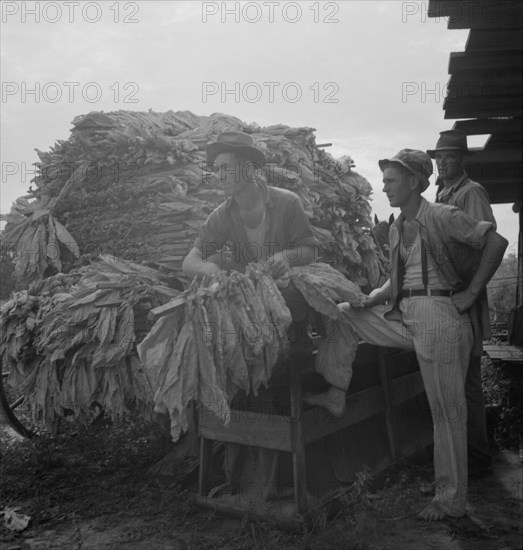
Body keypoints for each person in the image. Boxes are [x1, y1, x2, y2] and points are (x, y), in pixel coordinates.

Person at [306, 149, 507, 520]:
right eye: (383, 182)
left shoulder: (443, 216)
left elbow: (496, 243)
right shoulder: (399, 226)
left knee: (446, 413)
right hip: (406, 313)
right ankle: (337, 391)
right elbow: (397, 280)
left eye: (391, 181)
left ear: (414, 181)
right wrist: (370, 298)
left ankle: (451, 500)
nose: (384, 188)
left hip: (442, 316)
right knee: (344, 315)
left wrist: (473, 291)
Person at [182, 130, 318, 348]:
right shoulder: (221, 216)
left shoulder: (287, 203)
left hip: (286, 292)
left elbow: (310, 252)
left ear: (248, 170)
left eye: (225, 168)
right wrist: (210, 271)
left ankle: (295, 338)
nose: (219, 176)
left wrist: (285, 256)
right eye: (217, 170)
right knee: (216, 260)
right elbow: (190, 261)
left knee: (292, 289)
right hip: (247, 295)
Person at [428, 130, 496, 480]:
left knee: (467, 382)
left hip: (464, 298)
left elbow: (489, 244)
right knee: (454, 380)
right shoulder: (442, 193)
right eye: (439, 157)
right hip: (448, 299)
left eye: (450, 156)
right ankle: (466, 457)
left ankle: (478, 460)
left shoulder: (472, 193)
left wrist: (471, 291)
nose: (443, 162)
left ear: (462, 160)